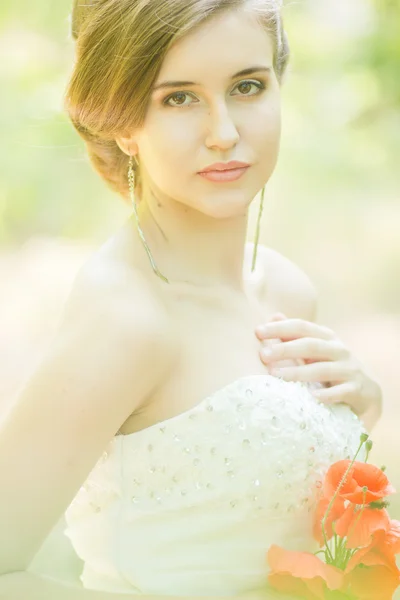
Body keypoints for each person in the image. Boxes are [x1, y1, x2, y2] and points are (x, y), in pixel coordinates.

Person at [0, 0, 383, 598]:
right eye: (178, 98)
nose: (224, 132)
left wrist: (362, 410)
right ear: (122, 122)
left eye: (248, 87)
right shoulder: (127, 319)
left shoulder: (287, 288)